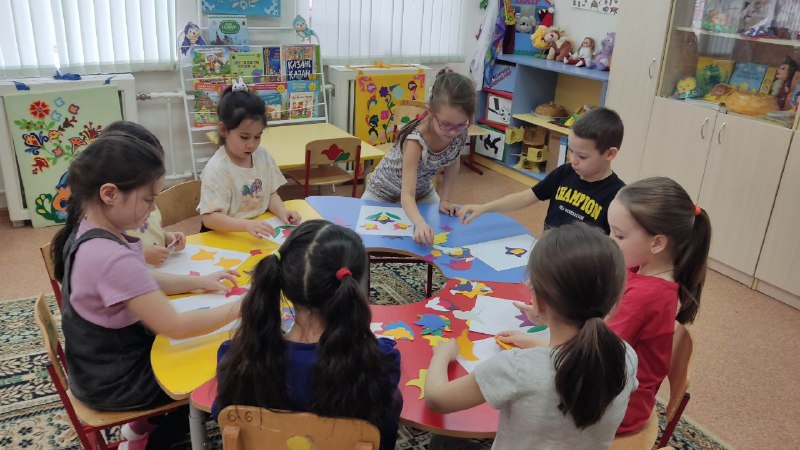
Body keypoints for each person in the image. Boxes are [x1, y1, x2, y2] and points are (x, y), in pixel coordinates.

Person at [51, 132, 242, 450]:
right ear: (110, 193)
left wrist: (199, 281)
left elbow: (140, 282)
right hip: (118, 382)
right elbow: (175, 326)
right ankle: (151, 443)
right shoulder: (109, 256)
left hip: (95, 368)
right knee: (222, 372)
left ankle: (142, 425)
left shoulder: (87, 227)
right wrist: (245, 307)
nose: (153, 210)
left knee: (203, 347)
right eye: (148, 199)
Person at [425, 223, 638, 449]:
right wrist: (538, 342)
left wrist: (442, 354)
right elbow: (574, 361)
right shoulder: (626, 355)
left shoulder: (516, 368)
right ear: (613, 302)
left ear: (540, 301)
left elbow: (437, 399)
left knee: (441, 442)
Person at [214, 220, 402, 450]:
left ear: (283, 283)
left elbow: (224, 416)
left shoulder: (238, 358)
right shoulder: (378, 362)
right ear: (355, 286)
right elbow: (383, 435)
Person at [605, 177, 711, 434]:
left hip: (618, 408)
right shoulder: (641, 266)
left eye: (619, 235)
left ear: (657, 243)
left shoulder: (648, 295)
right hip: (620, 389)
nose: (610, 240)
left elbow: (594, 350)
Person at [459, 107, 625, 235]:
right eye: (570, 150)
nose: (572, 159)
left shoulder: (618, 196)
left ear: (609, 154)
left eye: (582, 156)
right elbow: (526, 197)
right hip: (546, 255)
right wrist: (485, 207)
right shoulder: (564, 173)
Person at [362, 68, 476, 245]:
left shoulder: (459, 132)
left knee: (439, 236)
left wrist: (445, 199)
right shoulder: (416, 141)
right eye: (445, 124)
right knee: (370, 240)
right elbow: (406, 195)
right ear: (430, 112)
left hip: (421, 191)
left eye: (461, 124)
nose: (453, 132)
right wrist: (419, 223)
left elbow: (453, 163)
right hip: (382, 191)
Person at [198, 85, 300, 238]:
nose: (252, 144)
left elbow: (270, 194)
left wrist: (282, 212)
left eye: (257, 136)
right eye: (244, 137)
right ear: (224, 130)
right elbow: (209, 218)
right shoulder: (217, 169)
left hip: (255, 230)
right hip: (225, 235)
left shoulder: (262, 155)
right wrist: (246, 225)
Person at [99, 121, 187, 266]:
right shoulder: (109, 222)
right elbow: (109, 257)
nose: (153, 207)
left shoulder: (143, 205)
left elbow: (149, 232)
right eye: (147, 199)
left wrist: (167, 237)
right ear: (111, 194)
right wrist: (141, 254)